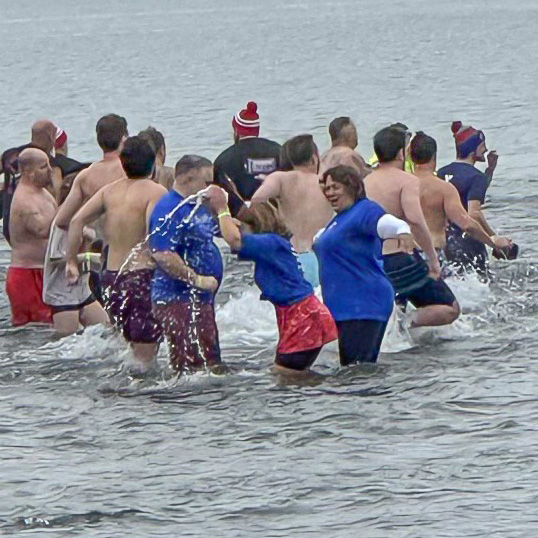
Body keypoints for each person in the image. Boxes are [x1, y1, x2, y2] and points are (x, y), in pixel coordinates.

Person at [207, 189, 337, 372]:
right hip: (302, 313)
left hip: (302, 316)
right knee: (292, 374)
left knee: (285, 374)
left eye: (242, 226)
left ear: (255, 224)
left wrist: (222, 208)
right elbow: (230, 235)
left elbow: (234, 240)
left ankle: (328, 394)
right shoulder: (274, 243)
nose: (240, 230)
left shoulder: (268, 243)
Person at [65, 136, 167, 369]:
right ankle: (138, 400)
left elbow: (76, 221)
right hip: (140, 276)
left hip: (111, 278)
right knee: (146, 356)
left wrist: (71, 260)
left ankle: (121, 400)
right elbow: (155, 232)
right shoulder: (156, 192)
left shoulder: (108, 192)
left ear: (122, 163)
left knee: (130, 348)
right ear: (154, 164)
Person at [314, 165, 411, 364]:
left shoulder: (364, 210)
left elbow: (388, 224)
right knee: (354, 372)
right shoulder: (340, 218)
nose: (329, 193)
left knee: (356, 372)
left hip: (364, 303)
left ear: (351, 187)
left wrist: (403, 232)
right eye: (327, 188)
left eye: (335, 187)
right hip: (347, 306)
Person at [364, 126, 460, 328]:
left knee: (396, 303)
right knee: (450, 308)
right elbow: (415, 220)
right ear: (401, 153)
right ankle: (405, 324)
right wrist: (432, 260)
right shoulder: (406, 181)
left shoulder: (365, 182)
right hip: (399, 257)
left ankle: (395, 332)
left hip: (371, 259)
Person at [149, 155, 224, 374]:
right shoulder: (168, 209)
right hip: (176, 299)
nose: (210, 188)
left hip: (200, 300)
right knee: (190, 367)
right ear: (188, 179)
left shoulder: (198, 204)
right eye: (206, 182)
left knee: (211, 362)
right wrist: (197, 279)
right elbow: (162, 254)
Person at [411, 132, 512, 268]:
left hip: (409, 255)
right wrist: (493, 241)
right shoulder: (444, 188)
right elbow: (468, 222)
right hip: (436, 252)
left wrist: (489, 171)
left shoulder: (402, 185)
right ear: (434, 155)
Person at [251, 134, 333, 288]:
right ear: (314, 158)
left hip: (293, 256)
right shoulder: (328, 181)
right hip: (323, 258)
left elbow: (257, 200)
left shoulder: (281, 178)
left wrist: (273, 221)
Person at [437, 122, 508, 277]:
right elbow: (473, 212)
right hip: (469, 242)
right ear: (472, 150)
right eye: (483, 146)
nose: (486, 149)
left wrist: (489, 170)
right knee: (481, 285)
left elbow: (471, 190)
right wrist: (493, 238)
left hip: (445, 242)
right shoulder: (476, 177)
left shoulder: (441, 172)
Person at [43, 173, 108, 337]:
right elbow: (55, 258)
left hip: (83, 289)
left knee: (108, 330)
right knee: (65, 340)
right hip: (61, 293)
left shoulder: (85, 223)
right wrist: (89, 258)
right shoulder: (61, 224)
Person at [5, 148, 56, 326]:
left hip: (45, 272)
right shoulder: (24, 200)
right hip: (27, 275)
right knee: (37, 331)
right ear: (28, 172)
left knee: (53, 324)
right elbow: (43, 230)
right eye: (44, 167)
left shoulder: (43, 193)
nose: (50, 170)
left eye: (49, 164)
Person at [56, 114, 128, 230]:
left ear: (99, 141)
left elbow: (62, 220)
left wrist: (83, 230)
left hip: (95, 242)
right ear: (124, 138)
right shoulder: (130, 170)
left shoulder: (85, 176)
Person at [214, 101, 281, 217]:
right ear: (257, 130)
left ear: (236, 131)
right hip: (279, 215)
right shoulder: (279, 151)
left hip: (243, 220)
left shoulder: (224, 159)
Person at [1, 119, 62, 242]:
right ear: (51, 137)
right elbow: (57, 191)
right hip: (32, 217)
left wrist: (5, 185)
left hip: (7, 209)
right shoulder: (48, 162)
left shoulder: (10, 155)